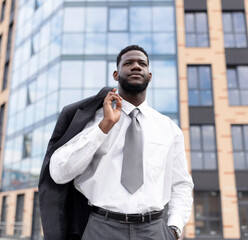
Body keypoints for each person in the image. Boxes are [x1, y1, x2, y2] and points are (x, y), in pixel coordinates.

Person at [45, 45, 194, 240]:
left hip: (154, 230)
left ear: (150, 75)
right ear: (116, 74)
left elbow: (181, 184)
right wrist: (103, 127)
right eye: (128, 63)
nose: (136, 67)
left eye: (142, 64)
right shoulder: (92, 120)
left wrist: (174, 228)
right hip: (102, 228)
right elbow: (59, 172)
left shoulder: (169, 129)